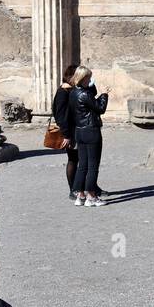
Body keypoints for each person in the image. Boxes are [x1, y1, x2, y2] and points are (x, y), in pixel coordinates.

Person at [69, 65, 109, 207]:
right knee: (92, 165)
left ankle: (80, 195)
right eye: (88, 77)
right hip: (91, 131)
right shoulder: (85, 94)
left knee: (83, 165)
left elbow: (90, 101)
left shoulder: (73, 92)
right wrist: (104, 95)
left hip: (79, 131)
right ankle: (91, 196)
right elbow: (100, 108)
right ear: (83, 78)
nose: (90, 80)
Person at [51, 64, 79, 202]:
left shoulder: (72, 90)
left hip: (77, 130)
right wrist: (66, 135)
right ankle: (73, 190)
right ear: (71, 77)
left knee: (80, 160)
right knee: (73, 160)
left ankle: (83, 187)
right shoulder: (62, 92)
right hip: (70, 132)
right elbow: (60, 116)